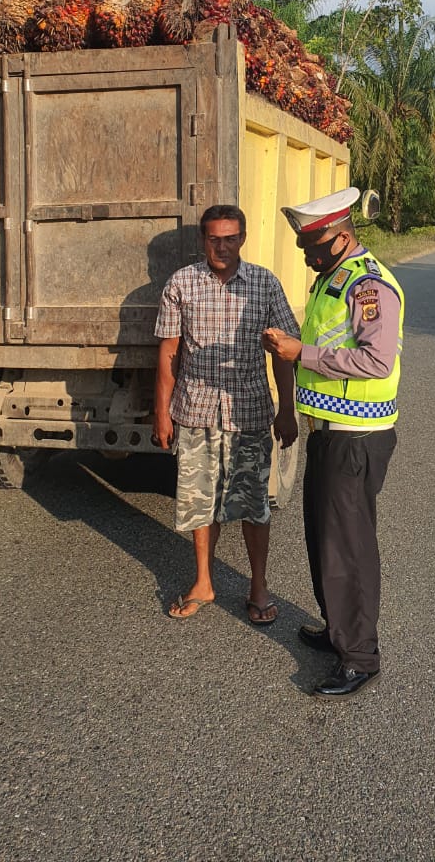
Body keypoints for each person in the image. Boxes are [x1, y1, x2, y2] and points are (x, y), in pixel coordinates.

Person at [263, 186, 404, 697]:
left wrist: (300, 353)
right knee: (325, 541)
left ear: (341, 238)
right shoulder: (333, 278)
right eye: (303, 245)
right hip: (329, 431)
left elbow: (377, 361)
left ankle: (360, 656)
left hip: (356, 437)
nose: (305, 254)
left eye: (312, 245)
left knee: (349, 548)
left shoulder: (369, 287)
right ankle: (338, 628)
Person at [154, 204, 299, 624]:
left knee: (254, 504)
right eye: (214, 239)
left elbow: (283, 352)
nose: (222, 247)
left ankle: (259, 586)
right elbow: (168, 353)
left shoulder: (265, 284)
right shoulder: (181, 283)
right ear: (203, 240)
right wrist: (162, 413)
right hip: (195, 409)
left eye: (230, 238)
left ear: (243, 239)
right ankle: (203, 582)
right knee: (199, 501)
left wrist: (286, 411)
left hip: (249, 410)